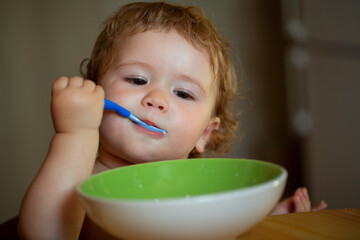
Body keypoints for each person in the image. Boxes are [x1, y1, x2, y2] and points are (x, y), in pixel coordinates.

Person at [17, 2, 326, 239]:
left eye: (183, 93)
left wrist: (271, 216)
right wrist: (75, 133)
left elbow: (220, 230)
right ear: (95, 97)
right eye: (137, 80)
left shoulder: (203, 185)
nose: (157, 99)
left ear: (206, 132)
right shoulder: (82, 178)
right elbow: (43, 233)